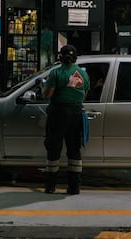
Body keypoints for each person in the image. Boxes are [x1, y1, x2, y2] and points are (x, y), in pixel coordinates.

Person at [39, 44, 90, 195]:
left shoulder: (55, 73)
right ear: (75, 58)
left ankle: (50, 186)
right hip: (76, 114)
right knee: (74, 150)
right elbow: (84, 95)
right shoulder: (83, 74)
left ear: (60, 57)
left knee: (54, 149)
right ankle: (74, 187)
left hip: (57, 114)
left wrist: (43, 87)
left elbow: (47, 95)